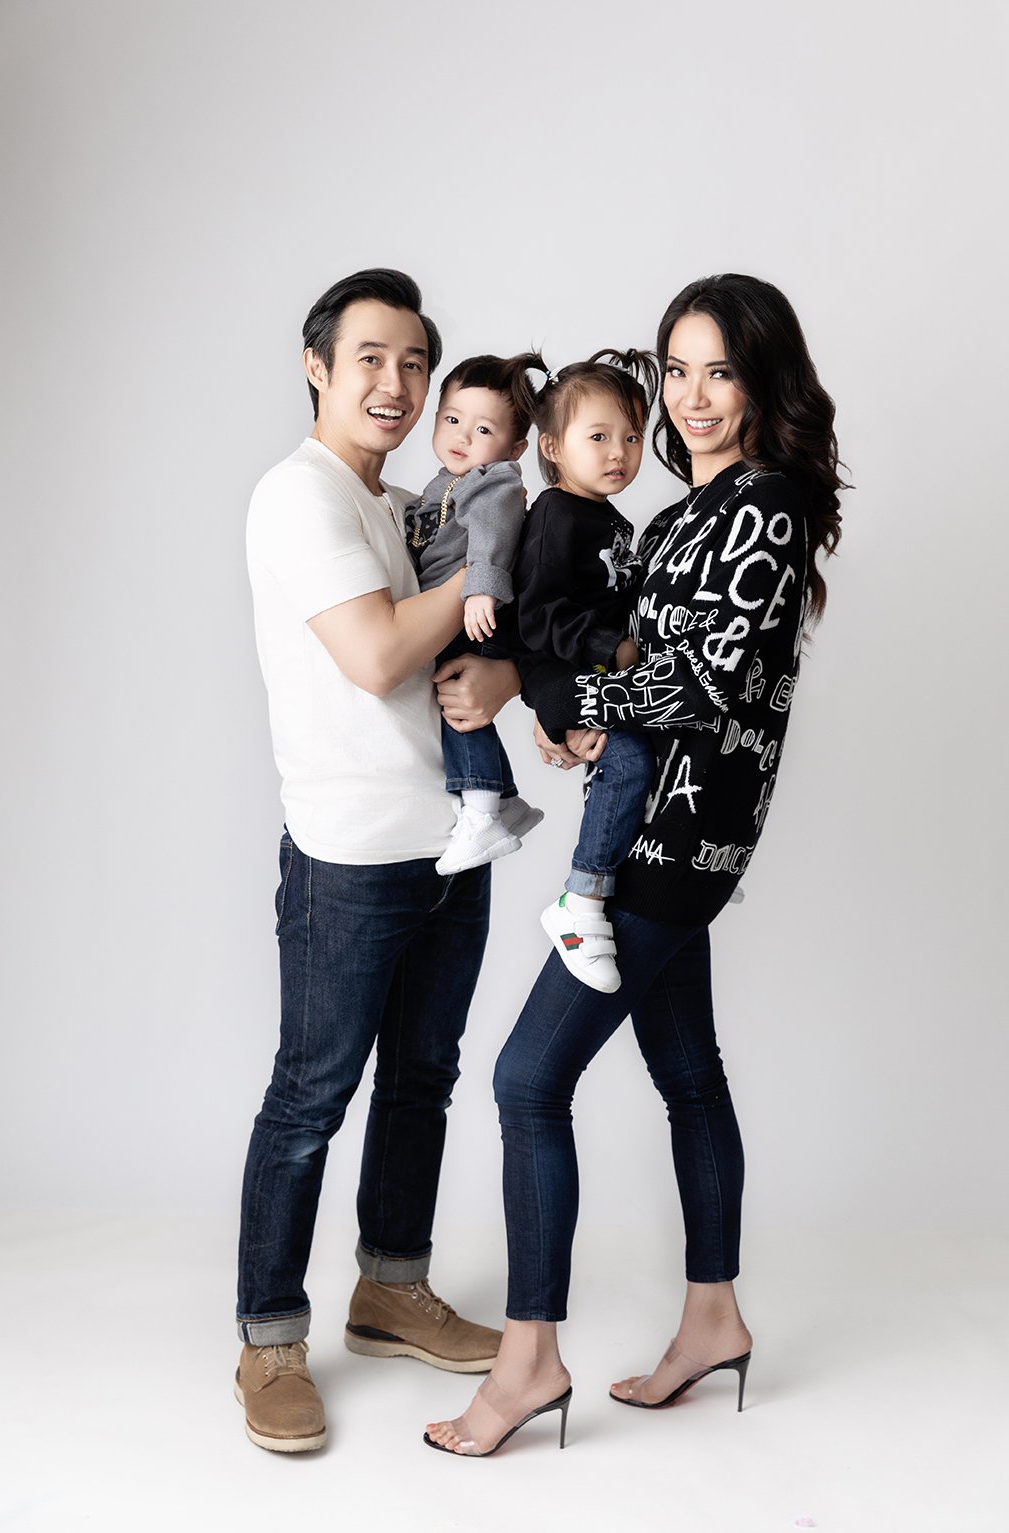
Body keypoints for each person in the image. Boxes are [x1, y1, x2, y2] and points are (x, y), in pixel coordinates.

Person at [425, 273, 845, 1456]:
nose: (693, 395)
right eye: (678, 369)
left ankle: (526, 1363)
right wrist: (583, 717)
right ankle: (712, 1318)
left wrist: (528, 689)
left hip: (675, 838)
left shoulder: (761, 504)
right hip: (666, 820)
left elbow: (702, 684)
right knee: (688, 1072)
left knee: (523, 1082)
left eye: (720, 369)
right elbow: (640, 673)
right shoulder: (672, 517)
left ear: (764, 381)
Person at [237, 268, 519, 1454]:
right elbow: (377, 655)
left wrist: (501, 661)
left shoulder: (407, 504)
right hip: (347, 854)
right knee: (312, 1097)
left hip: (448, 844)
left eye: (413, 363)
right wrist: (488, 576)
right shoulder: (297, 498)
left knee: (422, 1080)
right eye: (370, 358)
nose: (395, 384)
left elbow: (467, 664)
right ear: (318, 364)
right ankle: (267, 1343)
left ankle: (389, 1289)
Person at [509, 350, 660, 993]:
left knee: (657, 744)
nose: (618, 452)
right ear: (552, 445)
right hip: (557, 669)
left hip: (598, 672)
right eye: (597, 437)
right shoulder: (554, 515)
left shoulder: (617, 521)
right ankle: (582, 898)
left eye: (630, 436)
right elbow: (537, 618)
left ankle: (662, 865)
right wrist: (613, 651)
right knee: (626, 759)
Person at [406, 352, 547, 876]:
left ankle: (484, 811)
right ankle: (505, 799)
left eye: (482, 428)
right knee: (455, 701)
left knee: (457, 707)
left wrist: (481, 591)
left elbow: (492, 535)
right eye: (452, 419)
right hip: (453, 609)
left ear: (514, 448)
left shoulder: (494, 480)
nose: (462, 435)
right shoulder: (445, 480)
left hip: (472, 614)